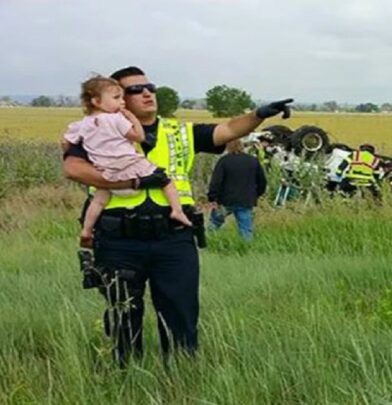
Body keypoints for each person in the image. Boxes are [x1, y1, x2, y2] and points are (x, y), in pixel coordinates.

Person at [62, 66, 292, 365]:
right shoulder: (97, 129)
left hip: (173, 236)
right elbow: (74, 169)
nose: (146, 93)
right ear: (113, 98)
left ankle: (181, 380)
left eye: (150, 87)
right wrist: (131, 183)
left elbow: (229, 130)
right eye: (133, 90)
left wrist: (259, 114)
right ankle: (125, 379)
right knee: (122, 317)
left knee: (181, 315)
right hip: (119, 239)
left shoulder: (180, 132)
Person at [63, 76, 192, 248]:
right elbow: (139, 137)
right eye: (116, 98)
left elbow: (66, 143)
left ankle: (87, 230)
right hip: (129, 165)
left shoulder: (81, 125)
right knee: (165, 180)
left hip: (106, 171)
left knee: (99, 201)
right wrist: (132, 118)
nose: (122, 102)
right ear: (96, 101)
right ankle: (177, 211)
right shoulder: (116, 119)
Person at [207, 139, 267, 240]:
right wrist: (256, 195)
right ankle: (245, 250)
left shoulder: (224, 161)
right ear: (242, 146)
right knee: (246, 229)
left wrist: (212, 198)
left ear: (228, 147)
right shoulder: (252, 161)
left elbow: (216, 182)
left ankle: (208, 244)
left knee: (214, 224)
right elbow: (262, 181)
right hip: (246, 200)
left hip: (225, 200)